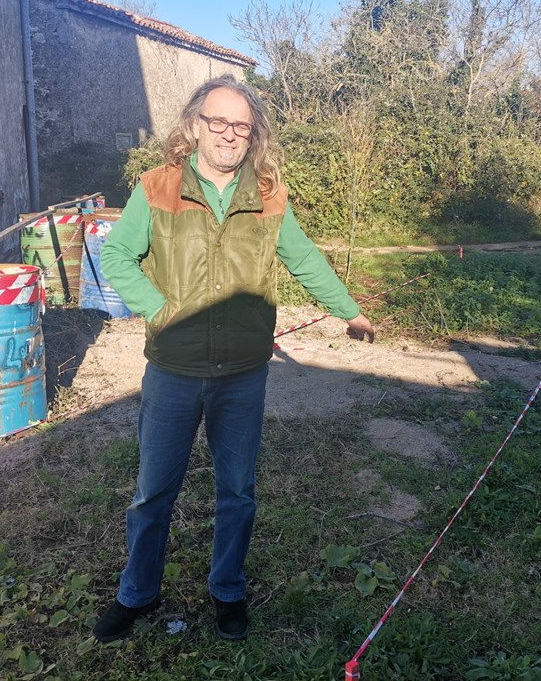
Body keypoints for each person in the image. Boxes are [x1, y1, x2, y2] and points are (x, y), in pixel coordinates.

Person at [93, 74, 375, 643]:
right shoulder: (158, 188)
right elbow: (116, 254)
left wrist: (349, 310)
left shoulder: (269, 195)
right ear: (196, 126)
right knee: (153, 491)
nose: (228, 134)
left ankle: (228, 591)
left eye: (240, 126)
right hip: (173, 370)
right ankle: (136, 594)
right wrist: (159, 307)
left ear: (253, 136)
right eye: (217, 122)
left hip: (244, 374)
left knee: (238, 492)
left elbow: (305, 259)